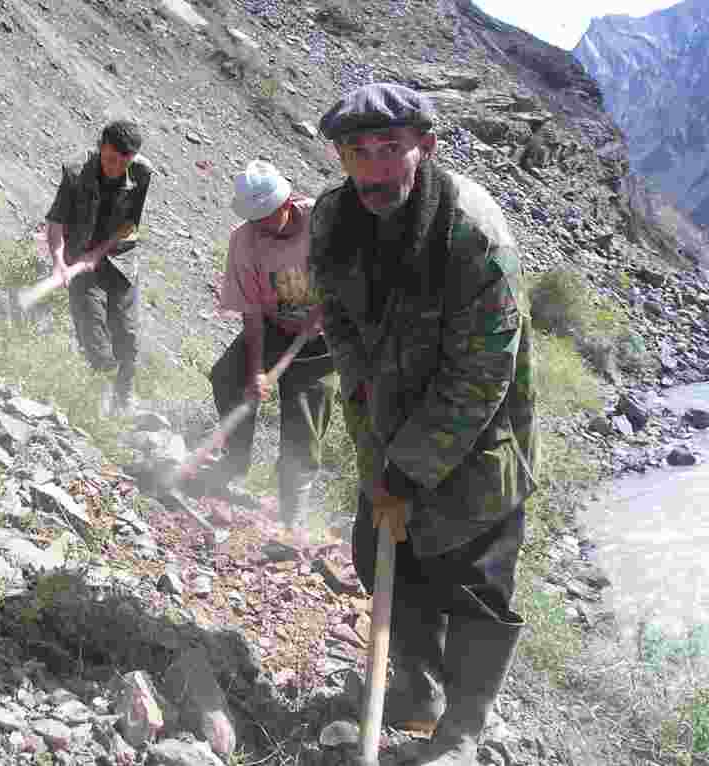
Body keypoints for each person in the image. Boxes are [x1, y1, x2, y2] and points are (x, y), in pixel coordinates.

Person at [309, 83, 540, 764]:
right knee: (381, 553)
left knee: (474, 581)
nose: (374, 169)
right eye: (357, 152)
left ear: (427, 147)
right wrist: (376, 453)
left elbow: (482, 374)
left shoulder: (472, 232)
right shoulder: (332, 219)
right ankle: (417, 689)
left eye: (390, 149)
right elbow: (340, 328)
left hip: (481, 436)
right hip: (390, 422)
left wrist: (406, 472)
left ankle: (463, 728)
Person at [205, 160, 336, 529]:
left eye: (265, 218)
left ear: (287, 204)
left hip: (324, 341)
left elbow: (356, 272)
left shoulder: (325, 221)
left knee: (304, 420)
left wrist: (326, 310)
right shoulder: (244, 240)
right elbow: (251, 313)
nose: (259, 227)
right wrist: (257, 371)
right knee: (228, 378)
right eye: (253, 219)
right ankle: (234, 464)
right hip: (273, 326)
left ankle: (292, 514)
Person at [45, 119, 154, 416]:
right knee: (93, 331)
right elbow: (55, 224)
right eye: (109, 159)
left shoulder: (141, 173)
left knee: (127, 336)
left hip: (120, 261)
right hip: (79, 257)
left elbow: (129, 224)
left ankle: (124, 400)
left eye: (123, 162)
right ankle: (99, 402)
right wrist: (59, 264)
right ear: (100, 147)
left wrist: (99, 253)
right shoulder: (76, 171)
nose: (115, 168)